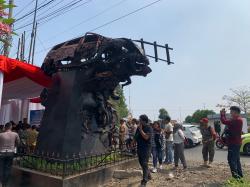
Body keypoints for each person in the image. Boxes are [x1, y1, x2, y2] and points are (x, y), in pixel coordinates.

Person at [220, 107, 243, 179]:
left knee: (231, 160)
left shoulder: (237, 120)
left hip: (234, 144)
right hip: (235, 143)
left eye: (231, 111)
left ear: (236, 113)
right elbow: (228, 122)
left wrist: (222, 114)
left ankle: (236, 178)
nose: (230, 113)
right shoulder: (236, 120)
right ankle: (240, 177)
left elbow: (224, 121)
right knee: (236, 160)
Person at [134, 114, 152, 187]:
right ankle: (149, 175)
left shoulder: (149, 128)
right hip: (139, 147)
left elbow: (146, 137)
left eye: (140, 120)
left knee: (144, 163)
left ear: (144, 121)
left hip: (146, 148)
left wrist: (141, 129)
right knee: (141, 163)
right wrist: (132, 142)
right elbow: (136, 136)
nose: (139, 121)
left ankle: (144, 181)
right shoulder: (138, 128)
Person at [0, 122, 20, 187]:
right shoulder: (15, 134)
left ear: (5, 127)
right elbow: (18, 143)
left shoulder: (1, 135)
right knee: (8, 168)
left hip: (2, 152)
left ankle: (1, 182)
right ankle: (5, 183)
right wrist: (14, 147)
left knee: (1, 168)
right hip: (10, 152)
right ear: (11, 127)